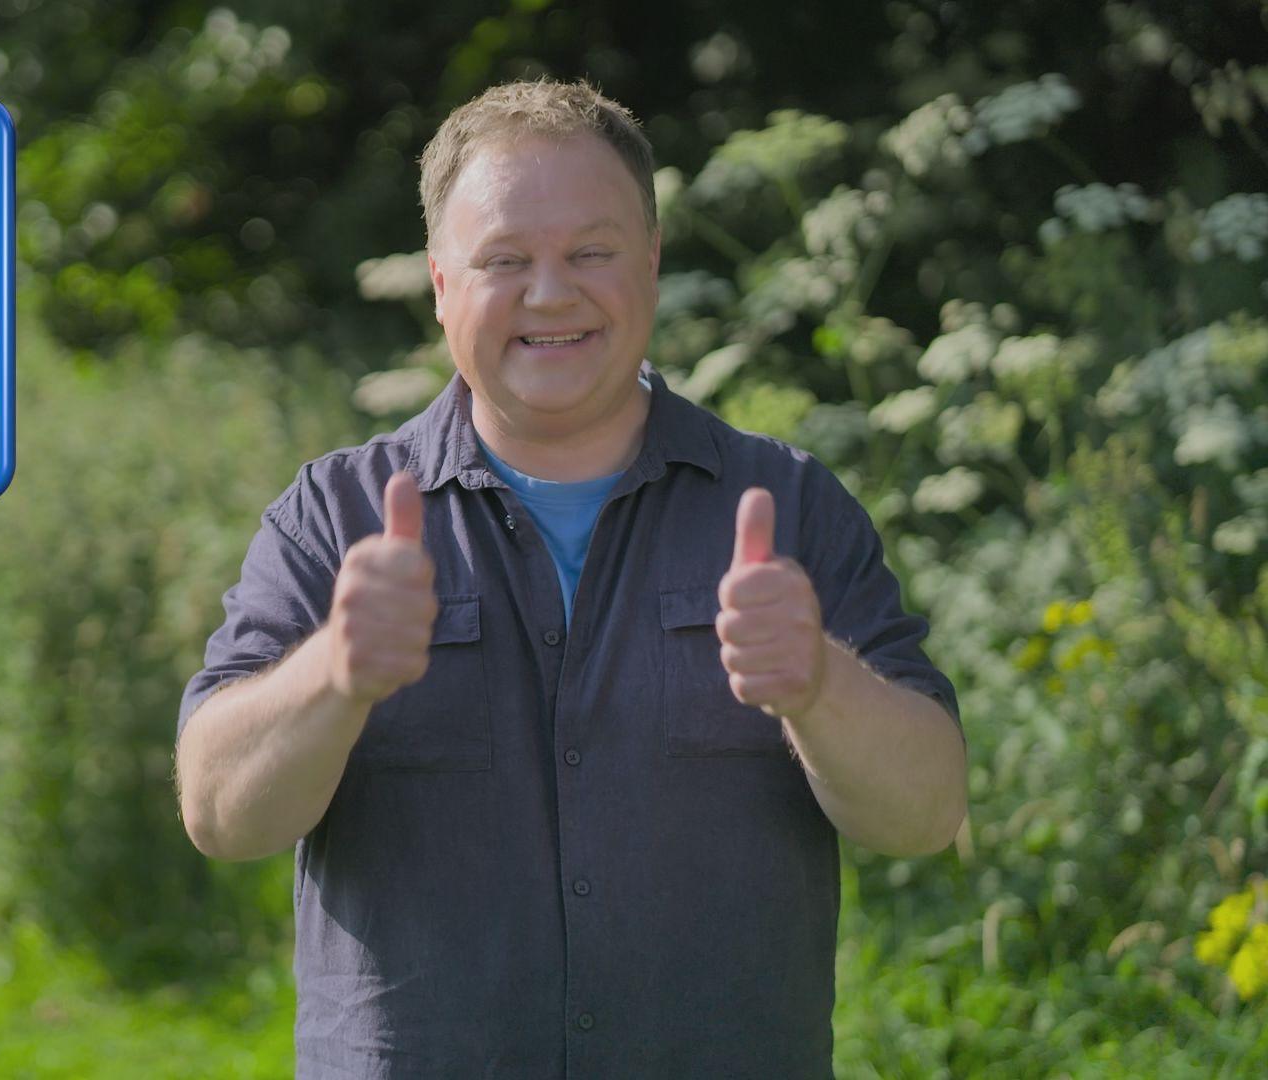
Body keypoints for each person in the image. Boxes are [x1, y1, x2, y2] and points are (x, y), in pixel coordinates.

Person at [173, 76, 968, 1079]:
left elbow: (927, 810)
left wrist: (818, 683)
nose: (550, 293)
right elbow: (220, 813)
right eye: (505, 259)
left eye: (589, 253)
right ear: (440, 284)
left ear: (651, 260)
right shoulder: (332, 517)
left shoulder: (790, 505)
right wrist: (335, 671)